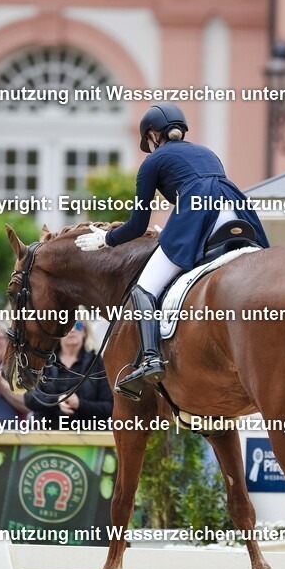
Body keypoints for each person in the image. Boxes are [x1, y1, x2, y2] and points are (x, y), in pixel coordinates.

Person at [74, 102, 269, 397]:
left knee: (143, 290)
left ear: (153, 134)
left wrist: (107, 239)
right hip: (236, 213)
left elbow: (138, 226)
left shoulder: (153, 162)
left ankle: (151, 358)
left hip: (198, 217)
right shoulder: (207, 152)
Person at [24, 319, 113, 429]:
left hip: (88, 437)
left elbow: (109, 407)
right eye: (66, 326)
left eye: (78, 325)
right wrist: (57, 401)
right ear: (57, 332)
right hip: (46, 435)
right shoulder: (44, 361)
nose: (72, 330)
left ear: (85, 331)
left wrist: (80, 404)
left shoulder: (98, 363)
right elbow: (30, 398)